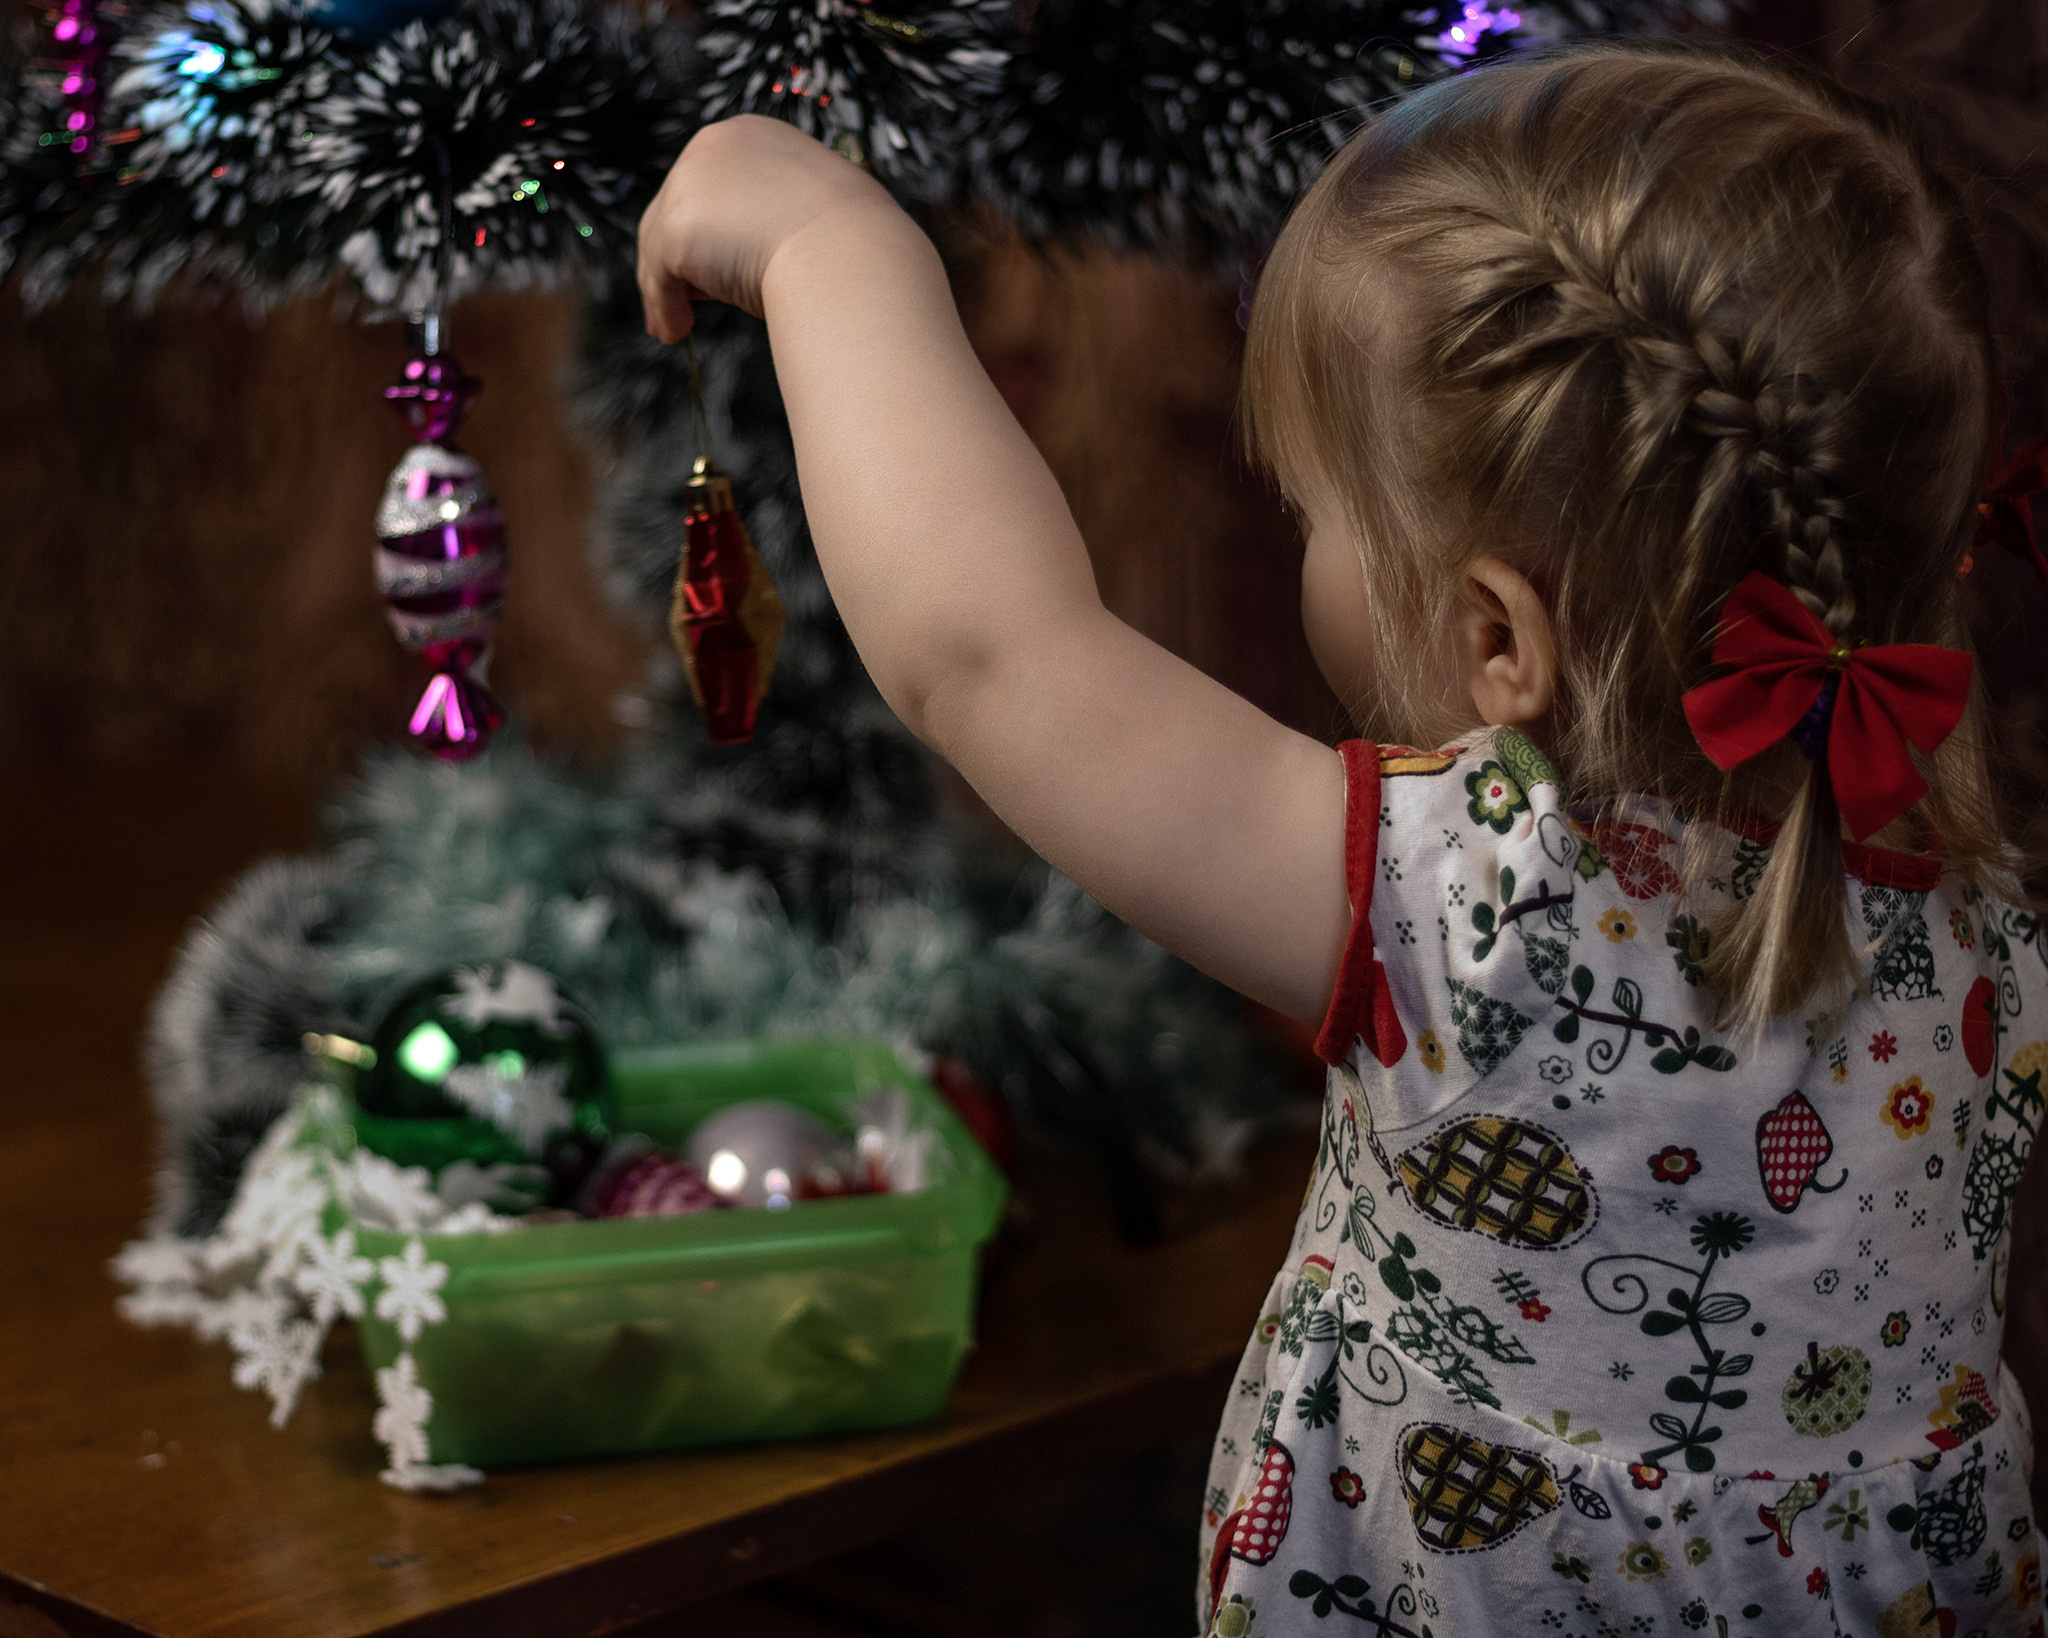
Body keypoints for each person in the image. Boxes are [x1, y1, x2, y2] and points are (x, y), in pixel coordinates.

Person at [638, 39, 2048, 1638]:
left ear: (1495, 635)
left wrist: (835, 245)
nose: (1304, 540)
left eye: (1315, 514)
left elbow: (988, 651)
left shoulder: (1468, 913)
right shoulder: (1986, 937)